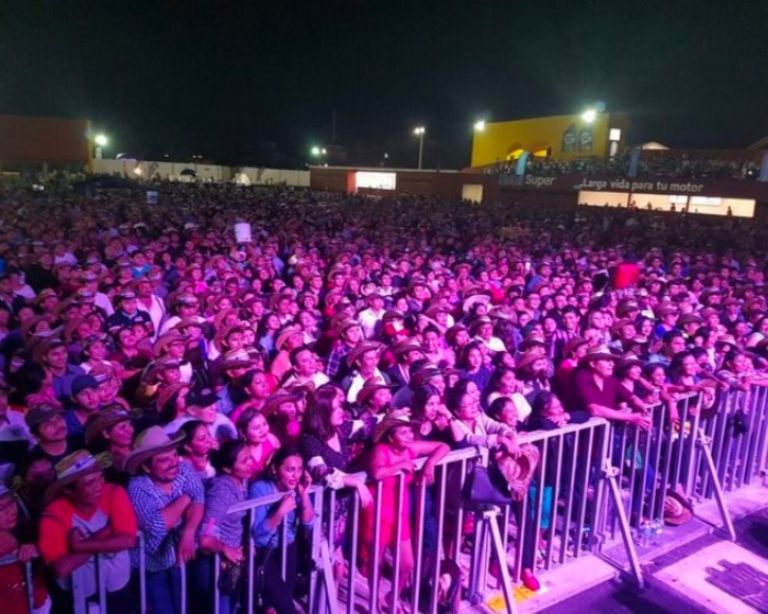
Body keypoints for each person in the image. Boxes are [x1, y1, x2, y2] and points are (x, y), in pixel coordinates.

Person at [360, 415, 449, 609]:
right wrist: (399, 465)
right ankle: (374, 602)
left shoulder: (410, 448)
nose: (410, 436)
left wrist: (430, 463)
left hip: (399, 512)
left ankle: (392, 598)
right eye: (404, 432)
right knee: (376, 563)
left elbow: (443, 447)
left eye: (410, 431)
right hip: (377, 513)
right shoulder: (381, 449)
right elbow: (377, 473)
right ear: (390, 437)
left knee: (407, 563)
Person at [38, 450, 137, 613]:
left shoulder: (113, 492)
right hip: (76, 598)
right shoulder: (54, 513)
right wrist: (106, 532)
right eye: (90, 483)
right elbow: (61, 568)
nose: (99, 486)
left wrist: (80, 546)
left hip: (118, 590)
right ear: (68, 490)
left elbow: (127, 540)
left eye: (100, 478)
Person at [126, 426, 205, 614]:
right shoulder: (137, 487)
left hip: (179, 560)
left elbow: (200, 498)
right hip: (150, 568)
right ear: (146, 467)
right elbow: (157, 525)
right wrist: (187, 497)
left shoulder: (184, 468)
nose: (173, 463)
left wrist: (188, 532)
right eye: (164, 460)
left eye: (174, 455)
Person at [249, 447, 315, 614]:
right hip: (264, 551)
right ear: (275, 469)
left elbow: (309, 524)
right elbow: (257, 534)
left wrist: (304, 495)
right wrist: (279, 512)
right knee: (282, 606)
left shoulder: (297, 488)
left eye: (299, 469)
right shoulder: (260, 488)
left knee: (284, 600)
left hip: (288, 548)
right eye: (290, 469)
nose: (295, 475)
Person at [194, 441, 254, 614]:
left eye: (250, 458)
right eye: (244, 461)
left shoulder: (242, 482)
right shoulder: (221, 490)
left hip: (231, 564)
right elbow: (205, 537)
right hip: (213, 565)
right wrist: (225, 549)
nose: (250, 463)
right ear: (228, 468)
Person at [237, 408, 281, 481]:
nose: (263, 430)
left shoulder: (271, 439)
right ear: (244, 432)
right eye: (256, 428)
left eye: (264, 424)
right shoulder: (242, 453)